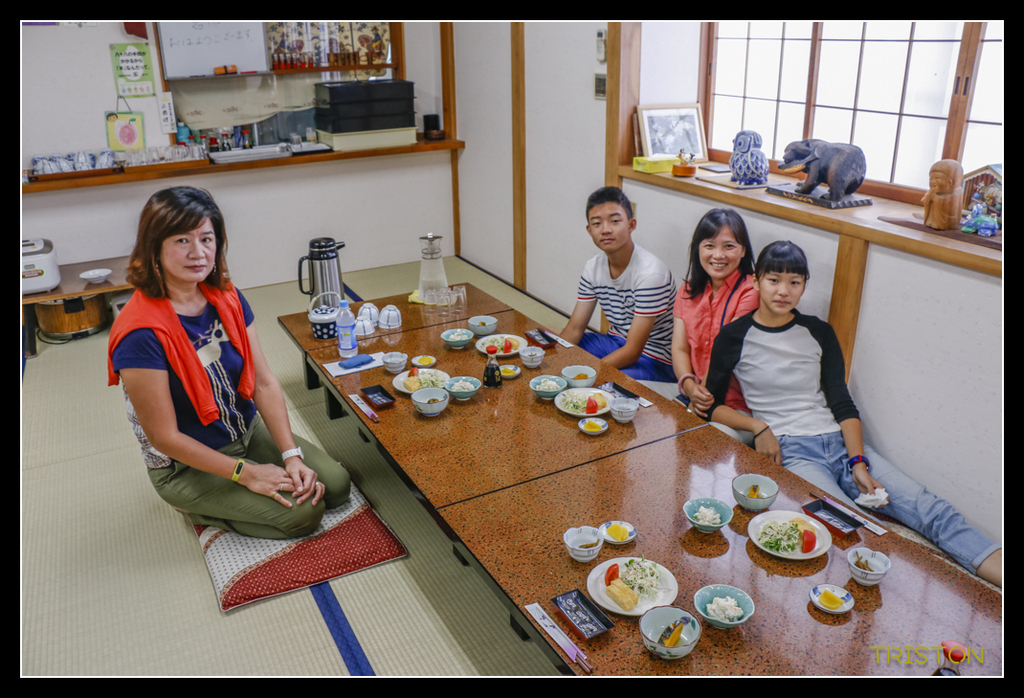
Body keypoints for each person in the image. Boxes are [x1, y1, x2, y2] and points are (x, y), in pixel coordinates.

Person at [704, 240, 1002, 586]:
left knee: (929, 507)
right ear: (756, 281)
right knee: (849, 524)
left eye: (794, 282)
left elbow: (841, 402)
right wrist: (758, 426)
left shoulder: (818, 332)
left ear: (803, 285)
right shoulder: (734, 336)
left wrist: (858, 461)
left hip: (841, 444)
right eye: (774, 280)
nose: (783, 291)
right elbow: (713, 406)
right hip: (794, 451)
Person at [107, 186, 350, 539]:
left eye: (207, 238)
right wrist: (246, 473)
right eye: (181, 241)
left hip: (245, 430)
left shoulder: (227, 296)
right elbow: (165, 437)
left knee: (337, 486)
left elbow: (264, 382)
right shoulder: (138, 332)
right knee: (303, 515)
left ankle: (249, 479)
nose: (198, 253)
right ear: (154, 247)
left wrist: (292, 456)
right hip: (186, 464)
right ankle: (195, 507)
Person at [558, 186, 676, 382]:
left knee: (606, 384)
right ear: (589, 230)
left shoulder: (651, 273)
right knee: (551, 344)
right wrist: (556, 360)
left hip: (655, 358)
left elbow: (633, 351)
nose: (605, 230)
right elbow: (574, 329)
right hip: (614, 341)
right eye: (597, 223)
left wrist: (589, 373)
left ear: (631, 225)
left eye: (615, 221)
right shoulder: (592, 268)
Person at [671, 209, 759, 443]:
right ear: (697, 248)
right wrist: (689, 386)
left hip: (736, 408)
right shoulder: (687, 290)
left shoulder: (750, 291)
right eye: (709, 245)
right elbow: (680, 348)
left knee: (705, 446)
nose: (718, 255)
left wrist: (698, 399)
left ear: (743, 251)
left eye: (729, 246)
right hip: (696, 395)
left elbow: (723, 355)